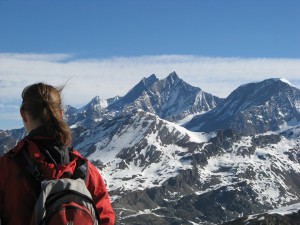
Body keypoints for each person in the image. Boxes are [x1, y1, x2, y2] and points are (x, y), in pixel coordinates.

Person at [0, 83, 115, 225]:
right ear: (60, 114)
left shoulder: (7, 167)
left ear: (23, 114)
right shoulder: (85, 170)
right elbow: (106, 219)